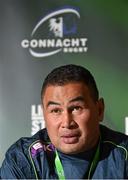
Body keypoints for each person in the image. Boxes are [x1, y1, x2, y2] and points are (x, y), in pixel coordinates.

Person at [0, 64, 128, 179]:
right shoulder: (23, 159)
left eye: (76, 108)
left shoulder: (124, 156)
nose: (67, 123)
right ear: (44, 114)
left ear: (99, 110)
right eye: (56, 110)